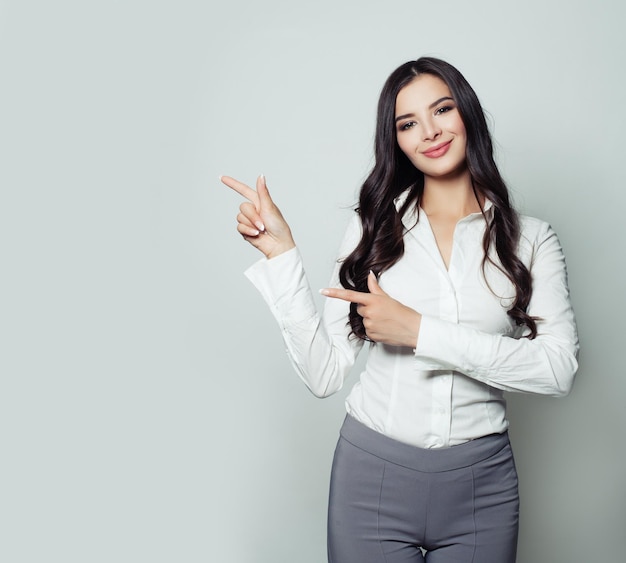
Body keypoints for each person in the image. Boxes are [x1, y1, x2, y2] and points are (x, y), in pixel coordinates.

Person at [221, 57, 578, 563]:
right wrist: (282, 258)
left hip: (482, 490)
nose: (429, 132)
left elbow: (557, 371)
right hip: (372, 482)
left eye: (442, 110)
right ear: (397, 142)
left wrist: (419, 332)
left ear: (467, 114)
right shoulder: (375, 228)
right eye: (407, 124)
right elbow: (324, 375)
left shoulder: (532, 239)